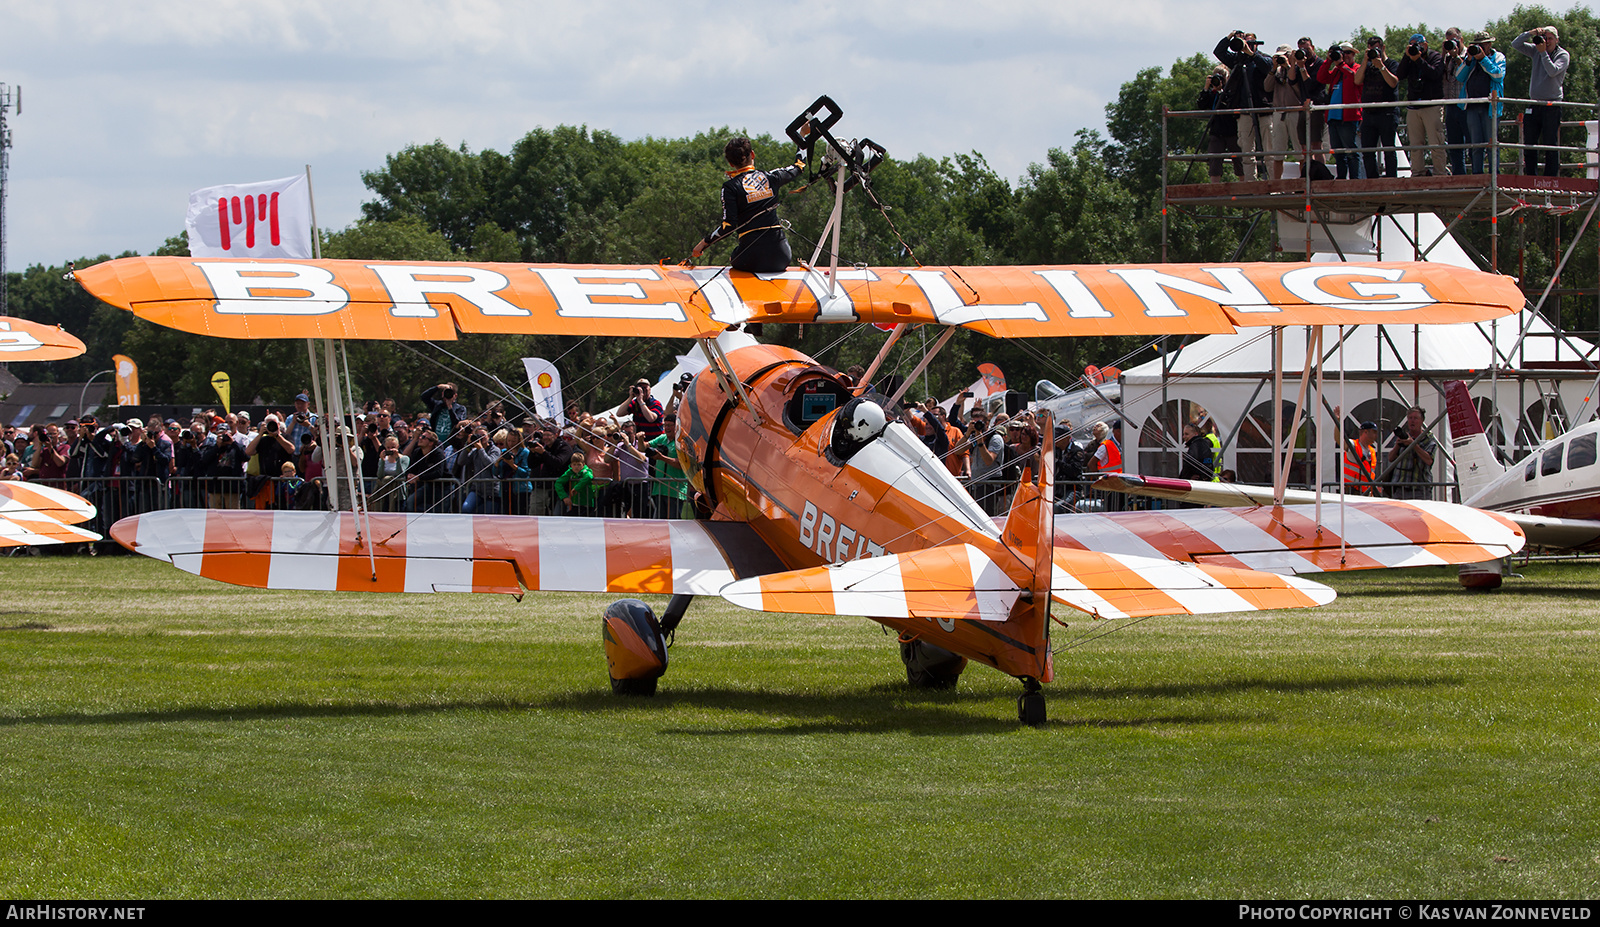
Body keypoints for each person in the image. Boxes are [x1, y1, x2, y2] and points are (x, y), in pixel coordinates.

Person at [692, 137, 806, 273]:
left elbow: (728, 225)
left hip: (750, 259)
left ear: (730, 163)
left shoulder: (730, 187)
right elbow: (799, 167)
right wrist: (802, 137)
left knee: (733, 257)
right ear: (752, 154)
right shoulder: (771, 177)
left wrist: (704, 243)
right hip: (782, 257)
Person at [1511, 27, 1570, 176]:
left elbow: (1552, 71)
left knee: (1550, 144)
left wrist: (1543, 52)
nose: (1547, 42)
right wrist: (1531, 33)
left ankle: (1550, 179)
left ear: (1557, 40)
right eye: (1545, 38)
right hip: (1535, 104)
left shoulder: (1562, 54)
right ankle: (1530, 177)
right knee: (1529, 143)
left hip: (1552, 104)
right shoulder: (1536, 50)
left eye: (1550, 38)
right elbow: (1515, 44)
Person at [1215, 31, 1273, 181]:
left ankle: (1273, 183)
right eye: (1244, 42)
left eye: (1249, 42)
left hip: (1263, 109)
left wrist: (1252, 54)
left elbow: (1268, 67)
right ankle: (1250, 183)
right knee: (1247, 151)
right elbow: (1219, 52)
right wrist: (1230, 38)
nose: (1246, 45)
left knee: (1269, 150)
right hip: (1244, 110)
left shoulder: (1263, 58)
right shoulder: (1238, 60)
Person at [1396, 33, 1449, 176]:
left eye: (1418, 45)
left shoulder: (1435, 57)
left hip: (1432, 105)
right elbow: (1399, 75)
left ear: (1425, 45)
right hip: (1414, 106)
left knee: (1436, 142)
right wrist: (1407, 57)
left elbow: (1434, 74)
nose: (1416, 49)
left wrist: (1418, 60)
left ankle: (1440, 173)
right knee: (1415, 145)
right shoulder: (1410, 59)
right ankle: (1417, 173)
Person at [1457, 33, 1506, 175]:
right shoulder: (1470, 59)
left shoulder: (1498, 57)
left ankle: (1493, 176)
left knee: (1492, 144)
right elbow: (1459, 76)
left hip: (1490, 108)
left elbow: (1498, 76)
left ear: (1489, 44)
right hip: (1472, 106)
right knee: (1476, 145)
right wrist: (1469, 60)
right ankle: (1477, 176)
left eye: (1483, 44)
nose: (1480, 47)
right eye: (1477, 45)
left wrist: (1483, 59)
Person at [1355, 36, 1401, 179]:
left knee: (1389, 149)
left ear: (1383, 48)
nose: (1374, 52)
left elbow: (1393, 82)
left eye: (1376, 48)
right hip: (1369, 113)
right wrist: (1365, 61)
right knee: (1367, 151)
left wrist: (1381, 65)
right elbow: (1357, 80)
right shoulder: (1367, 66)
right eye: (1371, 49)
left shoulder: (1392, 64)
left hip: (1387, 112)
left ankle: (1391, 178)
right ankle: (1372, 180)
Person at [1319, 43, 1364, 179]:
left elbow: (1355, 79)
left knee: (1350, 150)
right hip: (1334, 116)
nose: (1346, 55)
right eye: (1343, 53)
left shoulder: (1356, 68)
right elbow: (1322, 78)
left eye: (1349, 53)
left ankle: (1355, 179)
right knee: (1338, 152)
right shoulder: (1337, 70)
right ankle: (1341, 179)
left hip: (1349, 116)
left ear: (1354, 55)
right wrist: (1328, 60)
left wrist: (1340, 64)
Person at [1199, 65, 1244, 183]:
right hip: (1216, 131)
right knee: (1214, 160)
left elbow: (1229, 105)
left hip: (1232, 131)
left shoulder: (1231, 92)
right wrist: (1207, 88)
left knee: (1239, 160)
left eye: (1222, 78)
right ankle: (1215, 189)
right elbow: (1202, 105)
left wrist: (1222, 91)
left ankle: (1244, 186)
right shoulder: (1211, 94)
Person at [1388, 407, 1436, 500]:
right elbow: (1390, 458)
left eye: (1415, 418)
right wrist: (1398, 445)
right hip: (1400, 487)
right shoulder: (1404, 436)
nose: (1412, 421)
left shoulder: (1428, 439)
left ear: (1422, 421)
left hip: (1419, 488)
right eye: (1410, 418)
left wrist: (1413, 444)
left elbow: (1429, 460)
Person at [1441, 29, 1470, 177]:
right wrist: (1443, 53)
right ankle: (1460, 176)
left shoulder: (1468, 54)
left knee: (1471, 143)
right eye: (1448, 41)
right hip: (1450, 104)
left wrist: (1456, 56)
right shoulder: (1445, 57)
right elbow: (1438, 72)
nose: (1452, 44)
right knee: (1454, 144)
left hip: (1465, 104)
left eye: (1454, 40)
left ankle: (1476, 176)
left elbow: (1466, 72)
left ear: (1461, 40)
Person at [1344, 421, 1382, 495]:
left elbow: (1371, 472)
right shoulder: (1354, 445)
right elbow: (1339, 439)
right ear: (1366, 432)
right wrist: (1337, 422)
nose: (1376, 435)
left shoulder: (1372, 451)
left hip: (1367, 492)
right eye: (1374, 432)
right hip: (1353, 492)